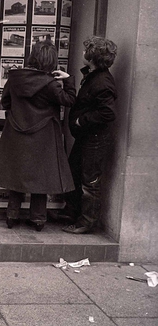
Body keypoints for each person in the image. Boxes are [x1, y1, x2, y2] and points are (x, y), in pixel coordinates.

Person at [0, 40, 76, 231]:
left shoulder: (15, 78)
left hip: (17, 132)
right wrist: (68, 79)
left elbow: (6, 103)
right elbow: (69, 100)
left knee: (17, 174)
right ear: (51, 61)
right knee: (41, 177)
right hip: (44, 136)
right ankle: (38, 219)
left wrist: (16, 118)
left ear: (32, 57)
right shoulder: (51, 85)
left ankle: (12, 215)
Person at [60, 36, 117, 234]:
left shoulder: (103, 82)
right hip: (86, 137)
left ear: (92, 56)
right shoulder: (94, 75)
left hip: (94, 139)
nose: (83, 52)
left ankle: (86, 222)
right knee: (75, 173)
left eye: (87, 50)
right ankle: (72, 212)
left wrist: (81, 121)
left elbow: (108, 113)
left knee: (89, 180)